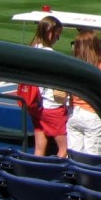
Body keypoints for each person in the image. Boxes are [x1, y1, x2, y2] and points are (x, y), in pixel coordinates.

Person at [66, 29, 101, 156]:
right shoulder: (100, 67)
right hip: (92, 114)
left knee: (74, 158)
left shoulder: (70, 66)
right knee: (92, 162)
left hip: (74, 113)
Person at [26, 15, 63, 156]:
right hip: (48, 105)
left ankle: (36, 172)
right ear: (50, 33)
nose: (57, 39)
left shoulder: (31, 48)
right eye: (57, 36)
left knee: (39, 148)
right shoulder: (50, 54)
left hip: (34, 103)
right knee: (64, 149)